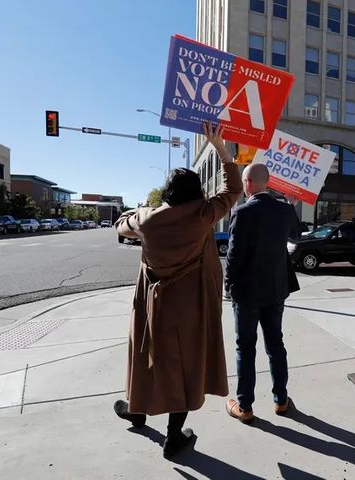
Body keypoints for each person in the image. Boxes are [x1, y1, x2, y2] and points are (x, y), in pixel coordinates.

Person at [111, 121, 242, 459]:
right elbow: (233, 188)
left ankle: (137, 412)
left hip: (152, 305)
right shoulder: (204, 215)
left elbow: (121, 225)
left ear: (167, 192)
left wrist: (138, 213)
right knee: (185, 367)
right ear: (196, 191)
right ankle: (173, 436)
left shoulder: (147, 220)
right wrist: (221, 148)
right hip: (191, 306)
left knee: (144, 356)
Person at [224, 164, 302, 423]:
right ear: (266, 183)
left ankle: (245, 406)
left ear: (247, 183)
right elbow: (296, 235)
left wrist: (227, 285)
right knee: (275, 345)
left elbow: (233, 255)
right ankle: (281, 400)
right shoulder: (284, 210)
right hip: (275, 291)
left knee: (245, 348)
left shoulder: (242, 212)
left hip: (246, 294)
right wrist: (292, 205)